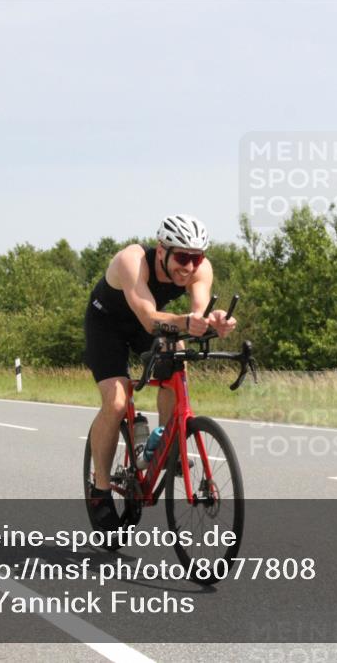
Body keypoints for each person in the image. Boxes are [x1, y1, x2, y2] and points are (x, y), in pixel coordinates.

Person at [84, 215, 236, 530]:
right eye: (182, 257)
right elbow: (151, 319)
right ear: (162, 250)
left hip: (153, 323)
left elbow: (199, 311)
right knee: (116, 401)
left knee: (176, 362)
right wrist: (187, 322)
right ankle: (99, 490)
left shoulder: (199, 268)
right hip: (109, 324)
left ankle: (166, 442)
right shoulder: (132, 260)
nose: (190, 266)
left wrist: (213, 321)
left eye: (196, 258)